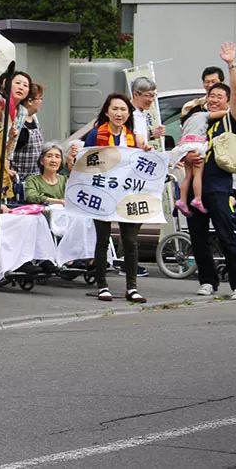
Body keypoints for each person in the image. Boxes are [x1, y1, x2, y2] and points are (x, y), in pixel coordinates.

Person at [184, 44, 236, 300]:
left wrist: (231, 65)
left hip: (218, 185)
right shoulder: (198, 118)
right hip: (193, 186)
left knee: (225, 233)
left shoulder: (230, 119)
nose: (214, 99)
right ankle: (207, 280)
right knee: (197, 236)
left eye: (219, 96)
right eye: (211, 96)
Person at [82, 93, 148, 303]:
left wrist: (146, 151)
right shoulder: (95, 135)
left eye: (123, 110)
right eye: (115, 109)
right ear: (107, 112)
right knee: (103, 238)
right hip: (103, 193)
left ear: (129, 114)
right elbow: (86, 161)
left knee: (130, 240)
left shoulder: (134, 138)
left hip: (127, 194)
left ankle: (132, 287)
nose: (119, 113)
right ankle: (102, 285)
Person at [12, 83, 45, 184]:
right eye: (40, 99)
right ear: (30, 101)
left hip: (36, 180)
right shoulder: (18, 124)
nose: (41, 102)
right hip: (20, 182)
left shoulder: (34, 118)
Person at [130, 76, 166, 147]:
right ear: (135, 94)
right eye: (147, 95)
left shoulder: (142, 112)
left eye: (153, 96)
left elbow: (139, 137)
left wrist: (152, 134)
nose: (151, 99)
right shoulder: (126, 113)